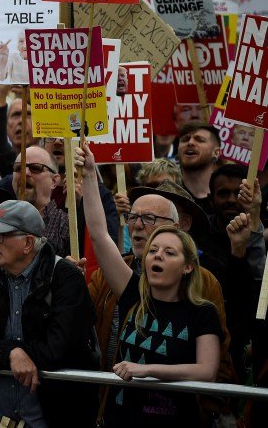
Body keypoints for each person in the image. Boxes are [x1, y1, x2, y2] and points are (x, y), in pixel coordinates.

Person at [81, 145, 222, 427]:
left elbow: (207, 371)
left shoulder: (202, 311)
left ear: (188, 265)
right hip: (120, 420)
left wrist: (144, 370)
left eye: (169, 253)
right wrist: (88, 173)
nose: (157, 255)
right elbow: (98, 234)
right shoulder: (133, 294)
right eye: (154, 251)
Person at [0, 200, 99, 426]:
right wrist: (11, 353)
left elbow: (59, 349)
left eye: (0, 235)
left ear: (28, 243)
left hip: (53, 413)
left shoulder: (65, 277)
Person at [176, 122, 221, 211]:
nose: (190, 143)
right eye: (185, 139)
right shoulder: (166, 193)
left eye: (199, 140)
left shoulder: (225, 197)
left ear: (216, 153)